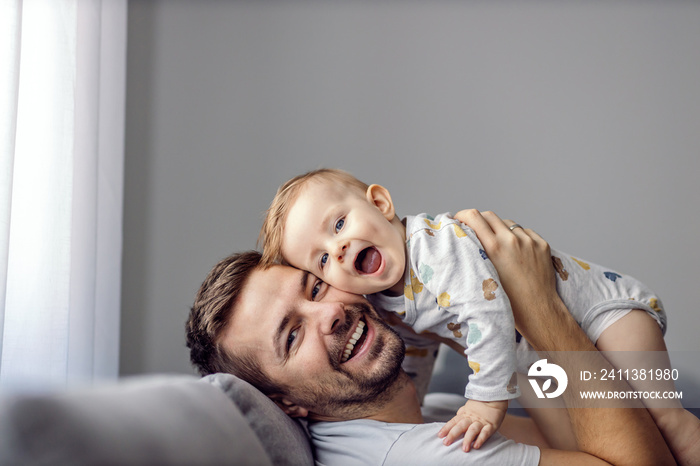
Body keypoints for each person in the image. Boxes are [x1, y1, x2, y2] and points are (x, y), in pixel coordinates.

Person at [257, 169, 697, 460]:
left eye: (338, 226)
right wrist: (417, 398)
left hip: (604, 314)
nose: (339, 248)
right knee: (580, 445)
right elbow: (418, 349)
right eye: (321, 261)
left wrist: (486, 400)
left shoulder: (436, 247)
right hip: (538, 354)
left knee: (666, 421)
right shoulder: (385, 301)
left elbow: (486, 313)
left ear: (380, 203)